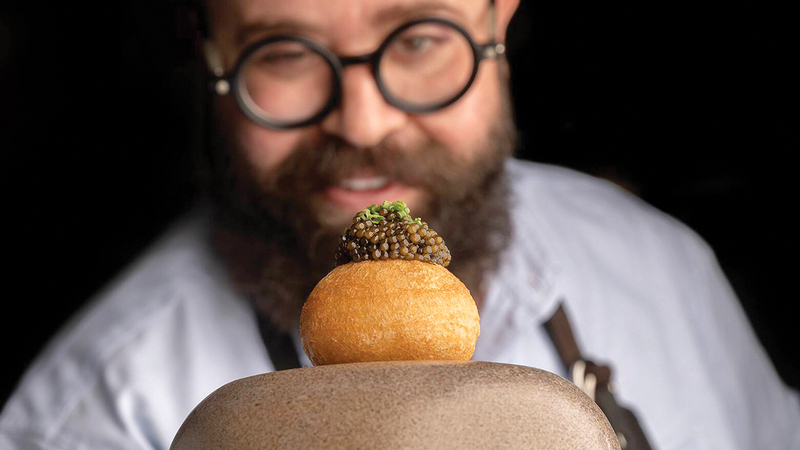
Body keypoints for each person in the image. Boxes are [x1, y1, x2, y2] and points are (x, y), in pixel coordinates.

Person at [2, 0, 798, 448]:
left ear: (499, 22)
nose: (364, 123)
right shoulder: (102, 414)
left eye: (419, 39)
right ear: (210, 55)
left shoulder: (659, 268)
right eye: (283, 53)